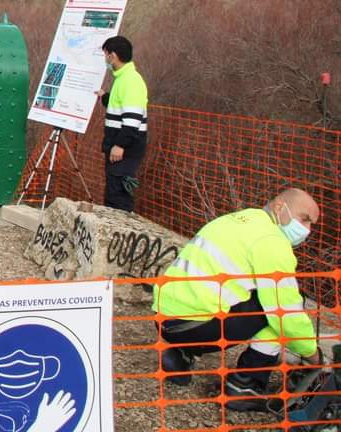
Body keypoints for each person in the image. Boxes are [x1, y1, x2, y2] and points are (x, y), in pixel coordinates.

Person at [153, 187, 324, 410]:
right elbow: (286, 314)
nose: (307, 230)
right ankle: (245, 384)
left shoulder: (236, 220)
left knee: (248, 295)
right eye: (304, 219)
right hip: (194, 326)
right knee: (280, 307)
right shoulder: (271, 241)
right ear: (279, 207)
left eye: (311, 224)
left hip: (164, 320)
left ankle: (180, 355)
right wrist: (312, 355)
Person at [95, 36, 148, 211]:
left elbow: (132, 120)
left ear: (113, 56)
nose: (105, 59)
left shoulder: (131, 81)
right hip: (118, 146)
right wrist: (104, 96)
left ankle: (118, 232)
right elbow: (119, 104)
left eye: (106, 54)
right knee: (112, 190)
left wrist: (119, 145)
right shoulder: (122, 79)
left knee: (118, 194)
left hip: (125, 148)